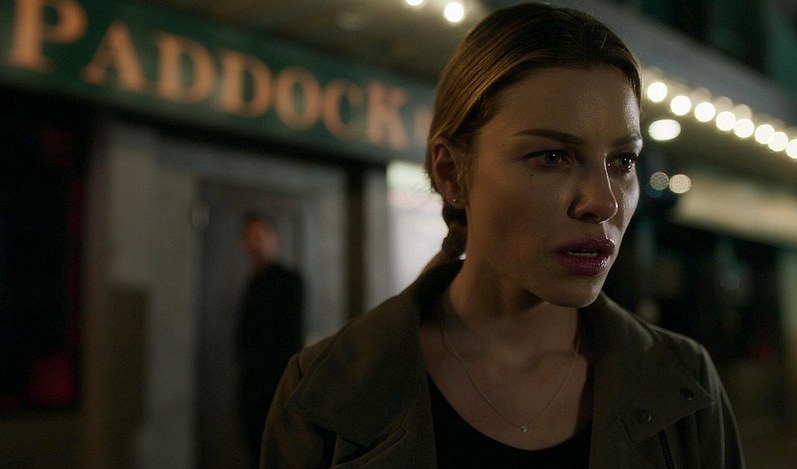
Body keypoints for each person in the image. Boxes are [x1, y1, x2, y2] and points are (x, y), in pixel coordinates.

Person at [261, 4, 745, 468]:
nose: (604, 202)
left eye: (623, 161)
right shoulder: (325, 389)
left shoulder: (685, 381)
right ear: (451, 172)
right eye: (552, 157)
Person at [235, 212, 304, 466]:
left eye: (261, 235)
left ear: (275, 238)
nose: (256, 243)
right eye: (250, 237)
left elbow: (289, 340)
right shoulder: (254, 283)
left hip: (276, 391)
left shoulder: (288, 281)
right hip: (251, 391)